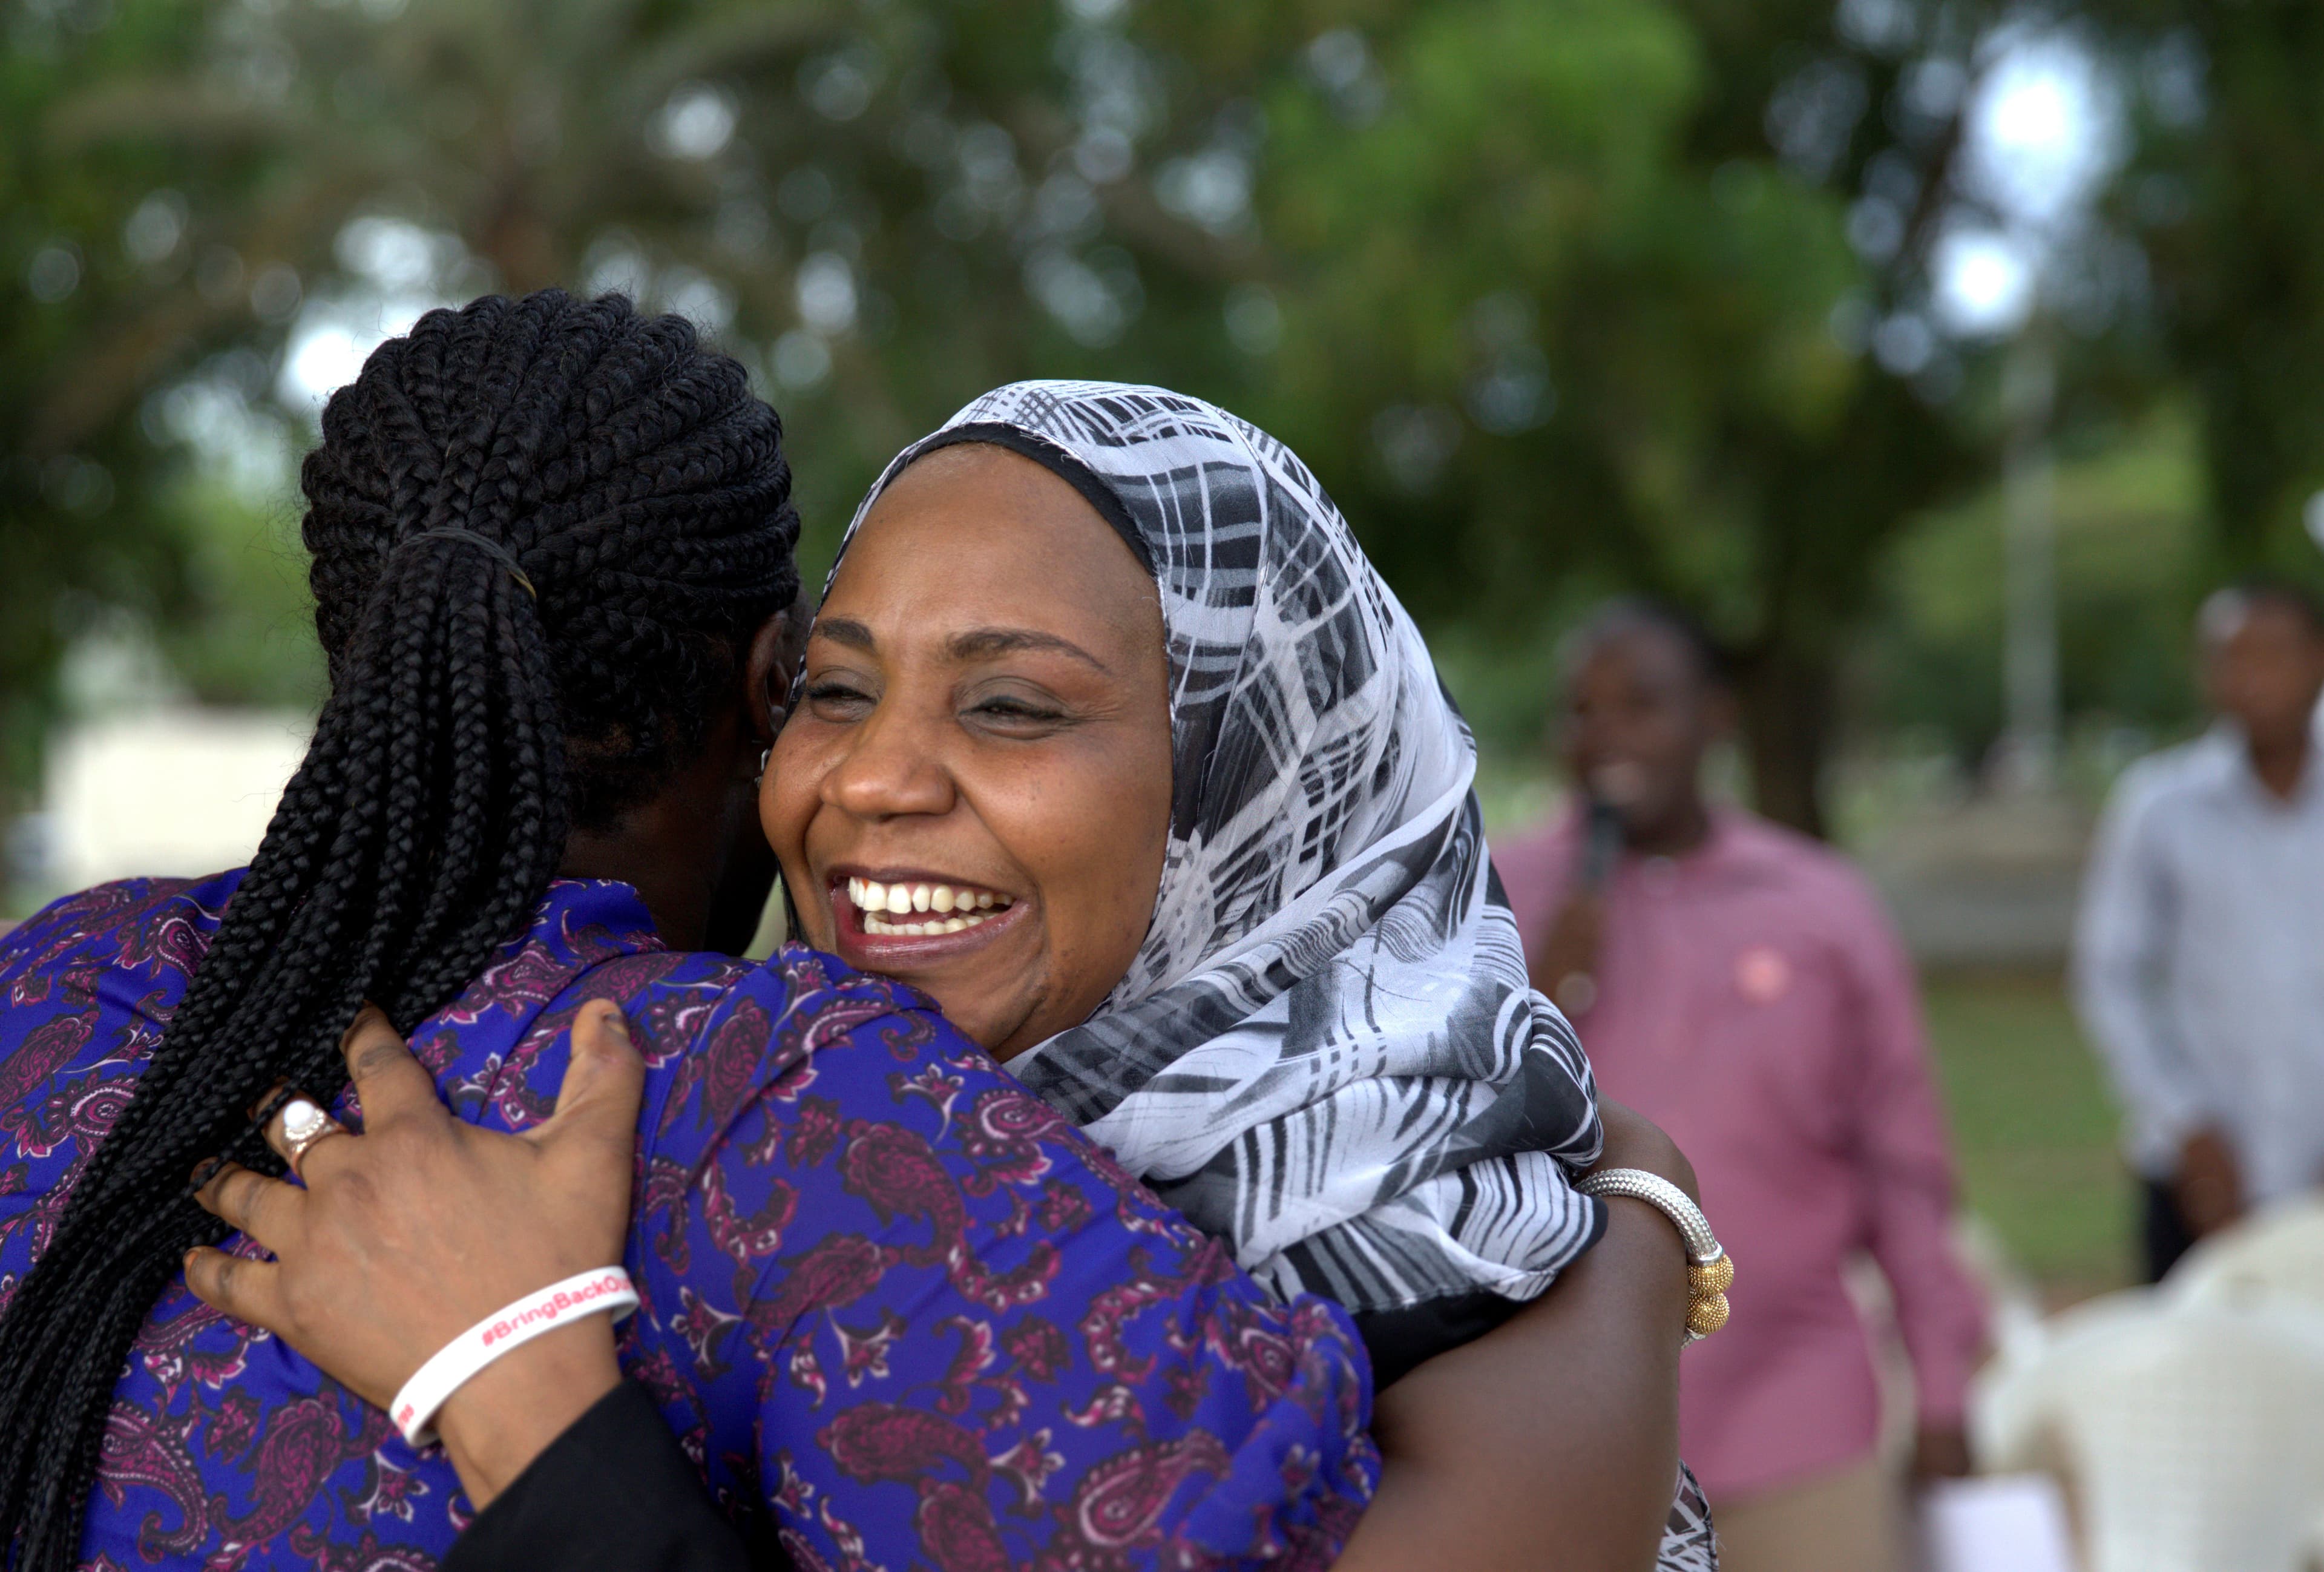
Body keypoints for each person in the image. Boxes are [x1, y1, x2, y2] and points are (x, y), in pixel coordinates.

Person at [0, 324, 1702, 1571]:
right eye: (837, 685)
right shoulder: (810, 1112)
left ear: (1264, 762)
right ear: (760, 690)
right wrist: (1641, 1221)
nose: (877, 778)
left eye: (1017, 703)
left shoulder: (71, 989)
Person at [1492, 600, 1985, 1572]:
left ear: (1715, 716)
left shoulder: (1819, 906)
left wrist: (1942, 1389)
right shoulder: (1497, 895)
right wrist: (1541, 987)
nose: (1607, 739)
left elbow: (1906, 1173)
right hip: (1564, 1436)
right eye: (1582, 712)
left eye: (1642, 707)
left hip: (1794, 1422)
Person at [2075, 579, 2324, 1281]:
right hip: (2203, 1178)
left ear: (2318, 660)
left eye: (2276, 655)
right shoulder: (2160, 807)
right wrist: (2183, 1123)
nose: (2255, 679)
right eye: (2231, 658)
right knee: (2201, 1373)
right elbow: (2111, 975)